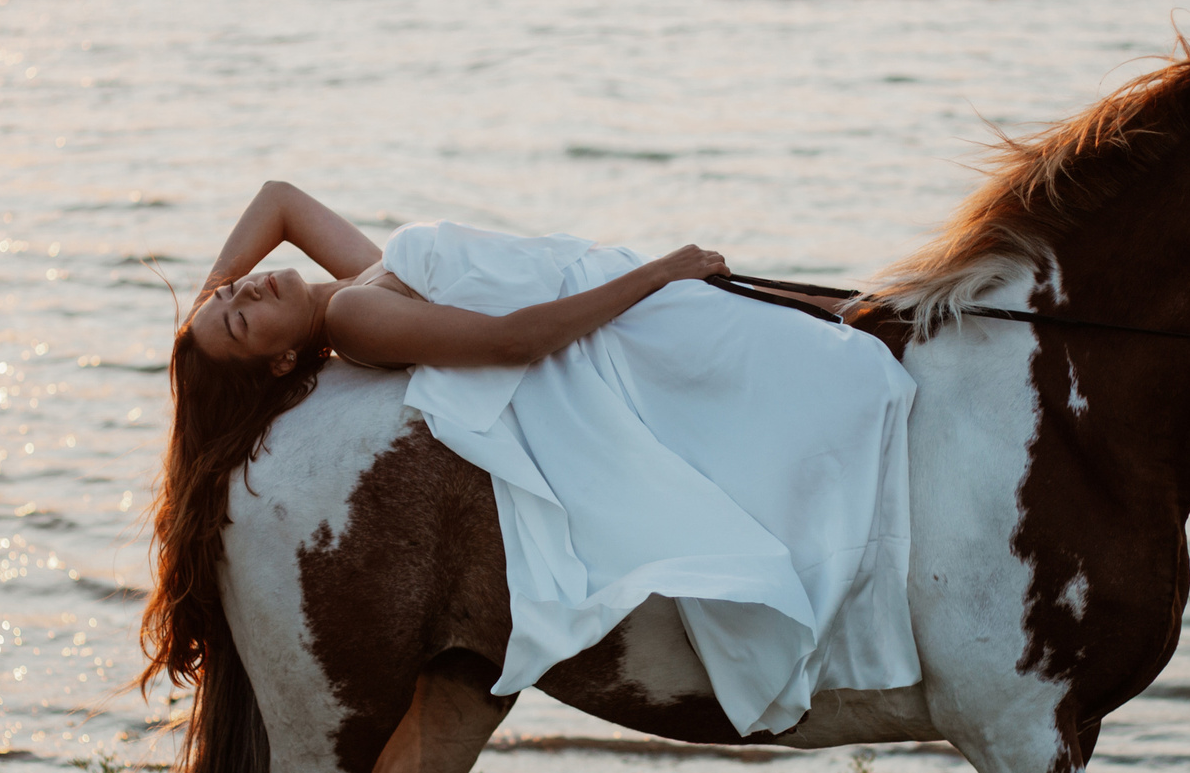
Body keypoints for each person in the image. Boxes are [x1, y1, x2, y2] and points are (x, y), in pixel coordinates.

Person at [148, 180, 919, 738]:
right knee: (850, 368)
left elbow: (278, 198)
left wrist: (203, 317)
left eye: (230, 296)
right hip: (625, 323)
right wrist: (657, 273)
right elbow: (512, 341)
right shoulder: (353, 316)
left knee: (840, 332)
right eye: (244, 319)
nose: (244, 292)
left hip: (624, 301)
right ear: (282, 363)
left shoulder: (355, 276)